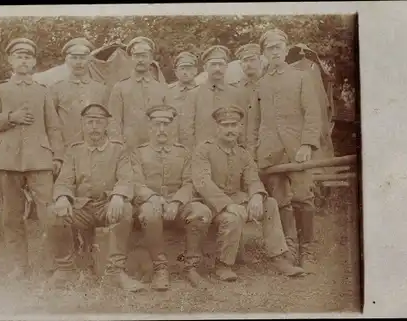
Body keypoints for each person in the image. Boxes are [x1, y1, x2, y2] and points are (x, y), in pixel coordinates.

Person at [0, 38, 64, 280]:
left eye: (28, 56)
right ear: (10, 60)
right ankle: (20, 265)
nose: (24, 60)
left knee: (49, 213)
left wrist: (57, 156)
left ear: (34, 62)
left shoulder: (43, 91)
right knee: (11, 215)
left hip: (39, 159)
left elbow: (54, 127)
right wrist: (11, 117)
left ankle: (52, 264)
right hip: (8, 159)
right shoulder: (0, 89)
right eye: (19, 55)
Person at [192, 105, 305, 281]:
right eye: (225, 125)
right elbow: (202, 182)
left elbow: (252, 178)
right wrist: (228, 205)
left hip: (236, 200)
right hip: (210, 204)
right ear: (217, 128)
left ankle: (279, 258)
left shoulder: (243, 154)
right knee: (233, 217)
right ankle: (223, 265)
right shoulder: (204, 150)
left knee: (270, 204)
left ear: (239, 128)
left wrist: (257, 196)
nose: (230, 130)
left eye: (234, 125)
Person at [52, 103, 145, 292]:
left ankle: (115, 272)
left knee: (125, 209)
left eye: (99, 122)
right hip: (83, 208)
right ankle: (65, 269)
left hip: (107, 206)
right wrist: (62, 197)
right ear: (83, 125)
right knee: (54, 212)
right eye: (89, 122)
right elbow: (64, 180)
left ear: (106, 125)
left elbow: (126, 177)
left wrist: (118, 196)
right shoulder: (74, 150)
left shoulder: (118, 150)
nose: (94, 127)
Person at [254, 29, 322, 272]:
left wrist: (307, 144)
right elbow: (255, 121)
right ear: (264, 53)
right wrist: (255, 152)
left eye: (278, 47)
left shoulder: (301, 77)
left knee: (304, 198)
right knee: (281, 200)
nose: (274, 51)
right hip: (270, 153)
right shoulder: (260, 84)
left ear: (285, 49)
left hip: (297, 151)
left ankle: (309, 250)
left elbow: (314, 113)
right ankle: (289, 248)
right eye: (269, 48)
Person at [130, 104, 213, 290]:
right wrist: (153, 198)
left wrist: (176, 201)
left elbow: (189, 183)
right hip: (151, 206)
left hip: (178, 206)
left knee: (202, 212)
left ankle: (191, 267)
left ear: (172, 127)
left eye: (166, 124)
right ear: (149, 127)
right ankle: (160, 268)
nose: (162, 129)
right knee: (150, 212)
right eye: (157, 124)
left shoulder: (183, 153)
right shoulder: (138, 153)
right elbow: (136, 183)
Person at [107, 36, 168, 152]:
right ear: (131, 59)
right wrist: (118, 146)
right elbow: (113, 121)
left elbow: (169, 122)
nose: (140, 60)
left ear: (151, 59)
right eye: (136, 56)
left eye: (144, 56)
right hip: (128, 149)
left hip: (156, 150)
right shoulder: (120, 88)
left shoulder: (161, 88)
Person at [179, 45, 245, 150]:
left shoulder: (236, 93)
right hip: (202, 154)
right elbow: (186, 130)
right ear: (205, 67)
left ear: (226, 67)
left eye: (221, 64)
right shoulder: (194, 94)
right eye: (213, 65)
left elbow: (243, 126)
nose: (217, 68)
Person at [50, 37, 109, 148]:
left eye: (82, 58)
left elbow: (108, 123)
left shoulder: (101, 89)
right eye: (74, 58)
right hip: (66, 150)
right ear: (67, 60)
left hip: (95, 150)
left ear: (90, 60)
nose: (78, 62)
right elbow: (51, 125)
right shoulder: (56, 89)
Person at [233, 43, 267, 159]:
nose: (248, 64)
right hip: (243, 147)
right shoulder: (236, 90)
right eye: (245, 61)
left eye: (252, 60)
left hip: (268, 147)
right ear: (240, 64)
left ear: (260, 61)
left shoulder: (269, 84)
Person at [167, 51, 200, 142]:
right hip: (173, 142)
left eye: (189, 69)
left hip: (196, 143)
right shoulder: (167, 91)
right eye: (182, 69)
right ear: (176, 72)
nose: (185, 72)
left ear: (195, 71)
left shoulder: (203, 91)